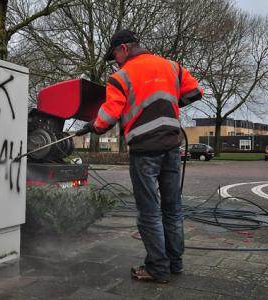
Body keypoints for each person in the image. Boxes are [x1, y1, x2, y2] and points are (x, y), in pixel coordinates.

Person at [78, 29, 203, 283]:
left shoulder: (120, 77)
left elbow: (107, 118)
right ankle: (174, 263)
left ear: (123, 48)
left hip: (144, 151)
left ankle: (157, 268)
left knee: (149, 212)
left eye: (115, 55)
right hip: (170, 146)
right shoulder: (171, 66)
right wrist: (164, 109)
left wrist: (93, 125)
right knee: (173, 209)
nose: (116, 61)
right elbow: (194, 92)